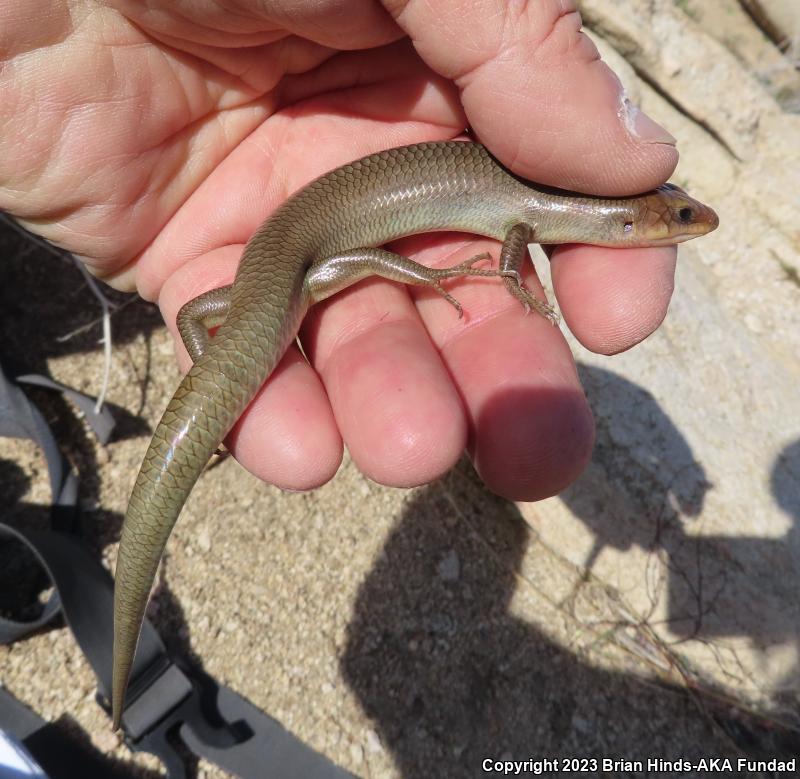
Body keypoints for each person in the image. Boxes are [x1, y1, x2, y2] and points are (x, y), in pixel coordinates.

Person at [0, 0, 679, 502]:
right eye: (674, 218)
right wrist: (433, 274)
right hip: (294, 261)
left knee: (221, 324)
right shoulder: (532, 218)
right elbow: (505, 251)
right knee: (250, 317)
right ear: (629, 226)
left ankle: (220, 386)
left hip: (285, 260)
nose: (682, 222)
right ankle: (224, 386)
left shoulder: (535, 210)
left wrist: (227, 357)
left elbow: (195, 318)